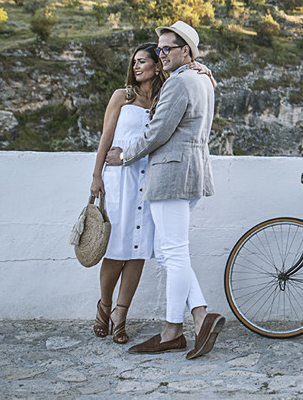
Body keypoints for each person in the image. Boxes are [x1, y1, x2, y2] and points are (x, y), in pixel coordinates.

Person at [106, 21, 224, 359]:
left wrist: (124, 156)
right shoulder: (203, 79)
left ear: (185, 51)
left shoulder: (178, 83)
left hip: (171, 175)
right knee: (165, 250)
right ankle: (200, 315)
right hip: (193, 172)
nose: (160, 54)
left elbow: (157, 132)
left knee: (173, 252)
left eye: (167, 48)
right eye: (158, 49)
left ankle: (173, 331)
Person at [89, 43, 166, 344]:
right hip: (120, 179)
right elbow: (106, 137)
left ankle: (120, 315)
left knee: (138, 250)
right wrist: (96, 175)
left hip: (149, 181)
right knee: (116, 249)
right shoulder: (122, 96)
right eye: (134, 62)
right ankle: (104, 306)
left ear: (157, 66)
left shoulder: (163, 99)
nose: (136, 66)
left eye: (142, 61)